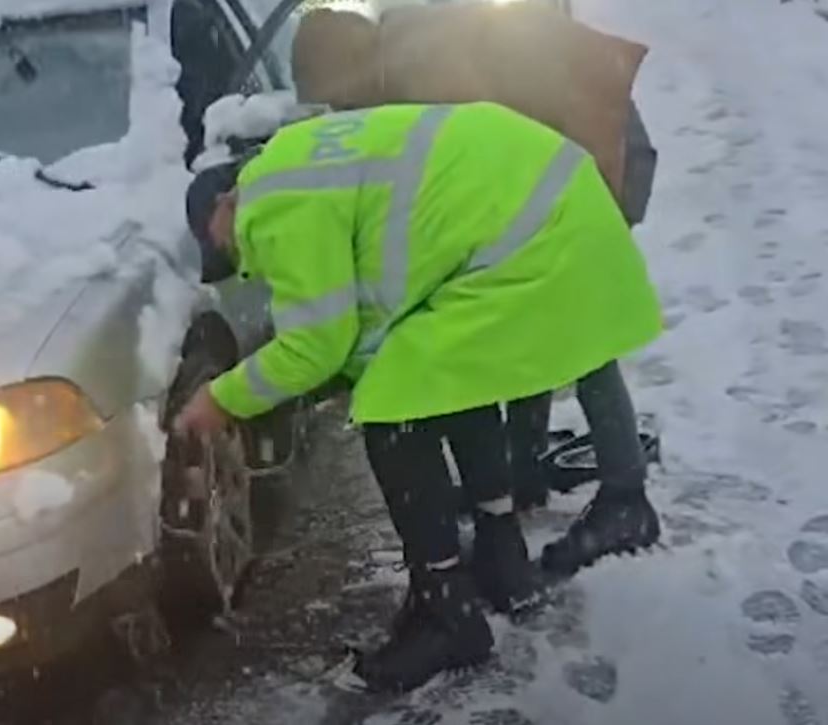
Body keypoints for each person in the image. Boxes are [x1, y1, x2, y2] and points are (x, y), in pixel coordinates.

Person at [173, 101, 662, 692]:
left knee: (392, 409)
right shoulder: (302, 159)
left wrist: (219, 401)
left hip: (527, 238)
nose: (232, 260)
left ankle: (446, 611)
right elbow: (370, 318)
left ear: (224, 204)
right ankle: (502, 556)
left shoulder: (269, 205)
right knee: (442, 373)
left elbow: (316, 346)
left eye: (218, 244)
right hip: (552, 210)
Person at [290, 3, 663, 574]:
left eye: (340, 100)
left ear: (351, 69)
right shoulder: (401, 55)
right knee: (523, 313)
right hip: (563, 149)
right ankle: (524, 471)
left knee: (570, 325)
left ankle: (625, 497)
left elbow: (479, 180)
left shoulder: (424, 70)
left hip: (598, 146)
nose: (344, 113)